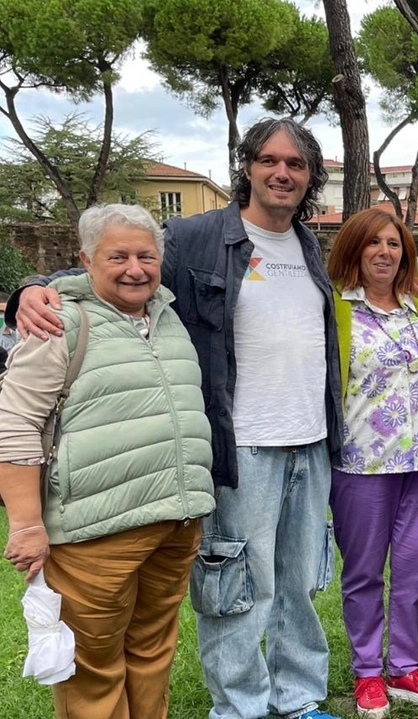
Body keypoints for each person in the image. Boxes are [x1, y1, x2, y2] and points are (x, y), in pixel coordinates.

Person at [9, 117, 347, 719]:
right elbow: (117, 264)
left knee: (300, 582)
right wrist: (33, 286)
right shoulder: (196, 236)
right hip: (237, 446)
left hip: (310, 442)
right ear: (247, 166)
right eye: (269, 160)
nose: (282, 173)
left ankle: (298, 699)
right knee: (238, 586)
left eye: (296, 164)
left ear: (310, 176)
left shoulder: (308, 242)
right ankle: (240, 707)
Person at [0, 204, 215, 718]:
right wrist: (27, 524)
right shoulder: (61, 323)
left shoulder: (167, 319)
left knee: (151, 655)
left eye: (146, 255)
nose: (134, 268)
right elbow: (14, 424)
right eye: (117, 256)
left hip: (173, 525)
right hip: (95, 535)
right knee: (92, 669)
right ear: (84, 260)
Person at [327, 208, 418, 717]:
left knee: (415, 570)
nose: (384, 251)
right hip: (361, 463)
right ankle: (366, 673)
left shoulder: (416, 308)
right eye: (374, 242)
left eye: (395, 243)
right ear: (354, 248)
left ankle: (404, 665)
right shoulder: (334, 308)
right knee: (362, 573)